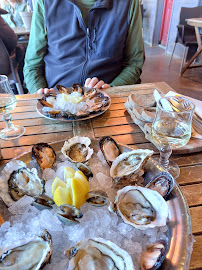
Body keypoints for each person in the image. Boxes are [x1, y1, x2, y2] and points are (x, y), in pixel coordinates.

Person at [24, 0, 144, 94]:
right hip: (57, 98)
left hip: (108, 99)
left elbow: (134, 62)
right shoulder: (45, 3)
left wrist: (112, 88)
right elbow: (32, 65)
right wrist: (40, 91)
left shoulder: (128, 3)